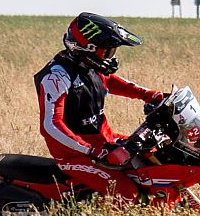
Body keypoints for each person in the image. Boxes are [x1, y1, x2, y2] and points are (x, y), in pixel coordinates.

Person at [34, 12, 163, 203]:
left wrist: (148, 94)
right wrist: (90, 151)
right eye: (108, 51)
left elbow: (110, 81)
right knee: (127, 194)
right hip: (75, 156)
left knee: (154, 156)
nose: (111, 57)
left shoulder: (88, 66)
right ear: (87, 48)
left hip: (104, 141)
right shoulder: (56, 77)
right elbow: (51, 125)